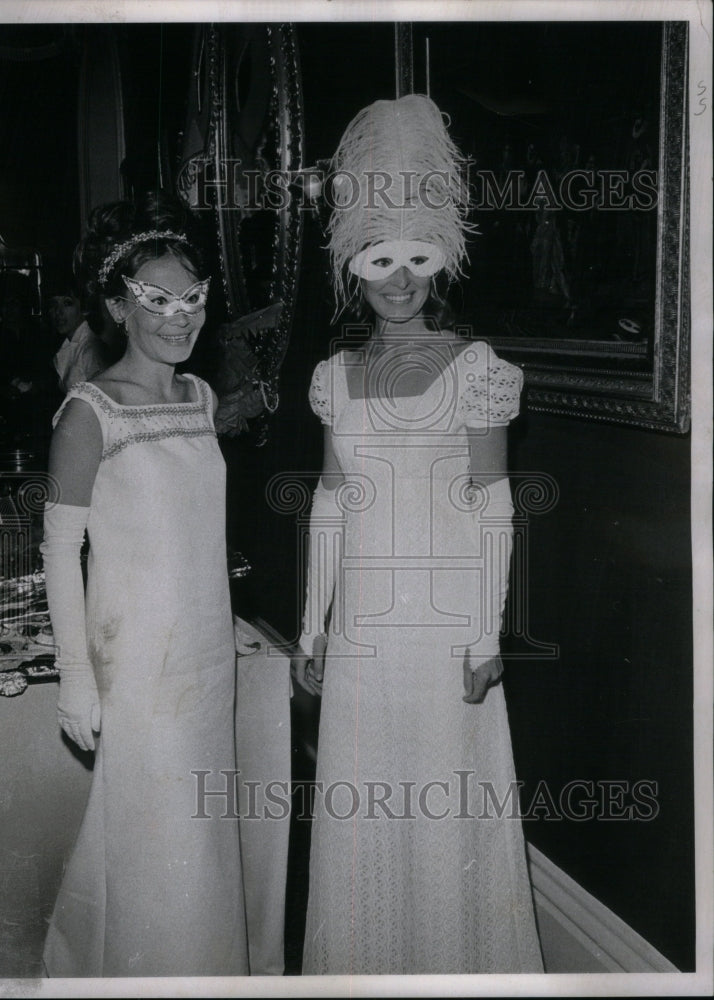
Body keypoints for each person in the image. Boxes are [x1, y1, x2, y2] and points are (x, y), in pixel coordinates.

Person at [290, 95, 543, 975]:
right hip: (362, 632)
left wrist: (483, 635)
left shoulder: (477, 372)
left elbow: (493, 504)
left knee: (448, 813)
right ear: (352, 265)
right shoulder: (333, 377)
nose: (399, 280)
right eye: (379, 259)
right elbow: (330, 500)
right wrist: (315, 625)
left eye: (416, 259)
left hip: (443, 638)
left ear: (441, 260)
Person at [41, 191, 248, 977]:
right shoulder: (88, 413)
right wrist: (75, 681)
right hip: (137, 671)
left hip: (206, 658)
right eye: (156, 299)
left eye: (192, 298)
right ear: (115, 305)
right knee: (155, 841)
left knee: (203, 834)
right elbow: (61, 552)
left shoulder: (197, 399)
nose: (179, 316)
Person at [47, 274, 109, 393]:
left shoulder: (91, 349)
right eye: (53, 304)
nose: (58, 312)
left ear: (83, 307)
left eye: (67, 303)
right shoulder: (69, 344)